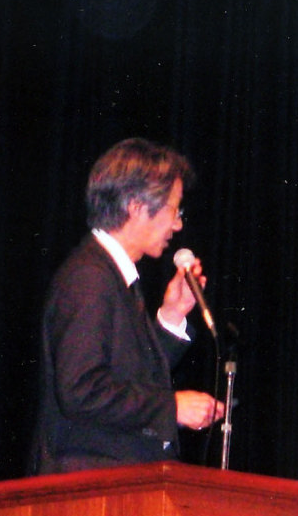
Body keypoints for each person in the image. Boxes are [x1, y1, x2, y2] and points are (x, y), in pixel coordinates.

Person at [31, 137, 225, 475]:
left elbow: (129, 376)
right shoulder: (90, 277)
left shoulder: (111, 276)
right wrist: (171, 407)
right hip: (87, 485)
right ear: (136, 206)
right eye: (174, 210)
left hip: (110, 483)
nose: (178, 225)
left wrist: (172, 316)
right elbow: (81, 390)